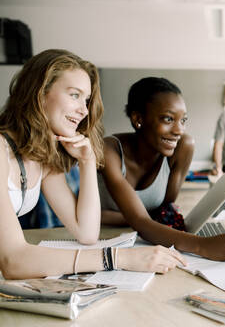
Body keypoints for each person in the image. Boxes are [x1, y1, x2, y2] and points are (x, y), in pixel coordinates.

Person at [0, 49, 185, 279]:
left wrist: (87, 161)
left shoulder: (41, 158)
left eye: (86, 100)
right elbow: (13, 260)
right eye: (74, 95)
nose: (84, 110)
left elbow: (86, 233)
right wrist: (120, 258)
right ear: (40, 92)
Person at [98, 77, 225, 261]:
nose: (179, 130)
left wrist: (151, 221)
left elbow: (164, 209)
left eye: (183, 120)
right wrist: (203, 245)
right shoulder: (108, 149)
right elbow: (142, 221)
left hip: (146, 242)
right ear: (138, 119)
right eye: (168, 119)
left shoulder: (182, 146)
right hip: (102, 242)